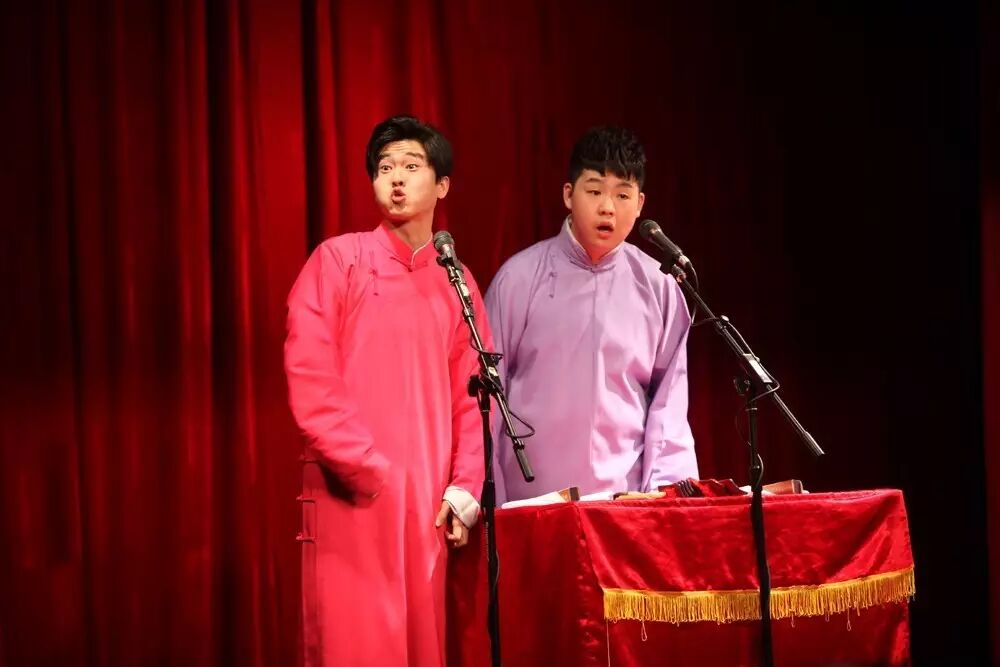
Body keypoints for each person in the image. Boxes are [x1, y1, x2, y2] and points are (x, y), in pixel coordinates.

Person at [284, 115, 489, 666]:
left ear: (442, 185)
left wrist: (464, 487)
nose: (395, 178)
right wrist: (366, 467)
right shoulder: (338, 261)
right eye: (384, 167)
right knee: (355, 645)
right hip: (351, 495)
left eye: (411, 166)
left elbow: (474, 394)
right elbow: (309, 372)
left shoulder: (457, 282)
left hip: (427, 507)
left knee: (420, 643)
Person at [485, 125, 697, 505]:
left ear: (640, 204)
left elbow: (669, 409)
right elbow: (486, 401)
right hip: (532, 503)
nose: (607, 207)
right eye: (595, 191)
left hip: (624, 504)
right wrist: (489, 502)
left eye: (622, 195)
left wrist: (669, 501)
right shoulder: (518, 279)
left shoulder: (659, 286)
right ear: (569, 194)